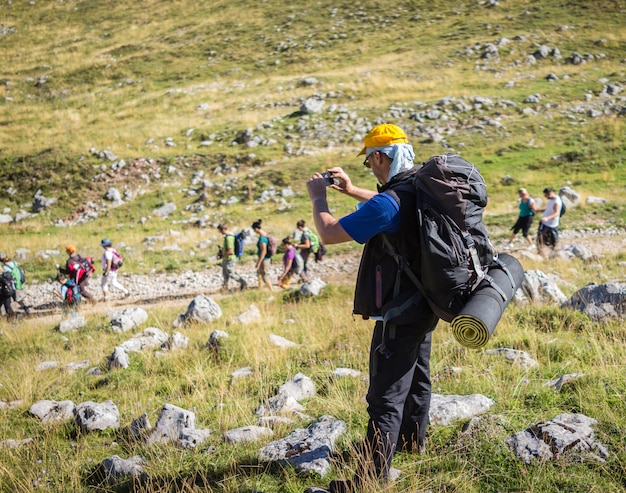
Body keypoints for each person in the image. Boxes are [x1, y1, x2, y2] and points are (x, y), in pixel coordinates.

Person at [306, 123, 438, 492]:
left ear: (380, 156)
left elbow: (329, 234)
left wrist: (320, 198)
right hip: (427, 301)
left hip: (399, 309)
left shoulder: (389, 202)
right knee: (417, 377)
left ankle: (369, 478)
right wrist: (351, 190)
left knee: (384, 395)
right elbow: (387, 207)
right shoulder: (418, 186)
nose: (369, 166)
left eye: (368, 161)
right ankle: (411, 442)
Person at [217, 224, 247, 291]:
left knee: (231, 274)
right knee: (225, 274)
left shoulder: (229, 238)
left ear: (223, 229)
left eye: (220, 230)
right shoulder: (228, 236)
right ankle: (225, 288)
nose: (220, 232)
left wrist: (222, 256)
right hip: (226, 258)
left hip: (230, 258)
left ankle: (243, 283)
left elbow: (230, 250)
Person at [536, 187, 562, 253]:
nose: (546, 197)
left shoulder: (557, 202)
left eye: (546, 195)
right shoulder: (551, 200)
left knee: (552, 240)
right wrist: (540, 210)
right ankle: (540, 251)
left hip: (551, 224)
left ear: (550, 193)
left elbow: (557, 213)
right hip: (545, 223)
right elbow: (549, 209)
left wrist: (547, 218)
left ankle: (553, 252)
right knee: (540, 237)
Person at [251, 220, 274, 291]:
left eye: (254, 230)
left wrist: (259, 262)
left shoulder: (262, 238)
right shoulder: (266, 234)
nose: (254, 231)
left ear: (256, 229)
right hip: (266, 258)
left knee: (265, 275)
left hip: (264, 259)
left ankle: (271, 290)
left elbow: (264, 251)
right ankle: (260, 288)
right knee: (259, 273)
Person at [0, 253, 17, 321]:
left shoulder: (3, 269)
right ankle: (12, 319)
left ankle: (10, 319)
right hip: (8, 290)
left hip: (2, 291)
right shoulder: (7, 268)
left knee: (5, 305)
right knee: (7, 306)